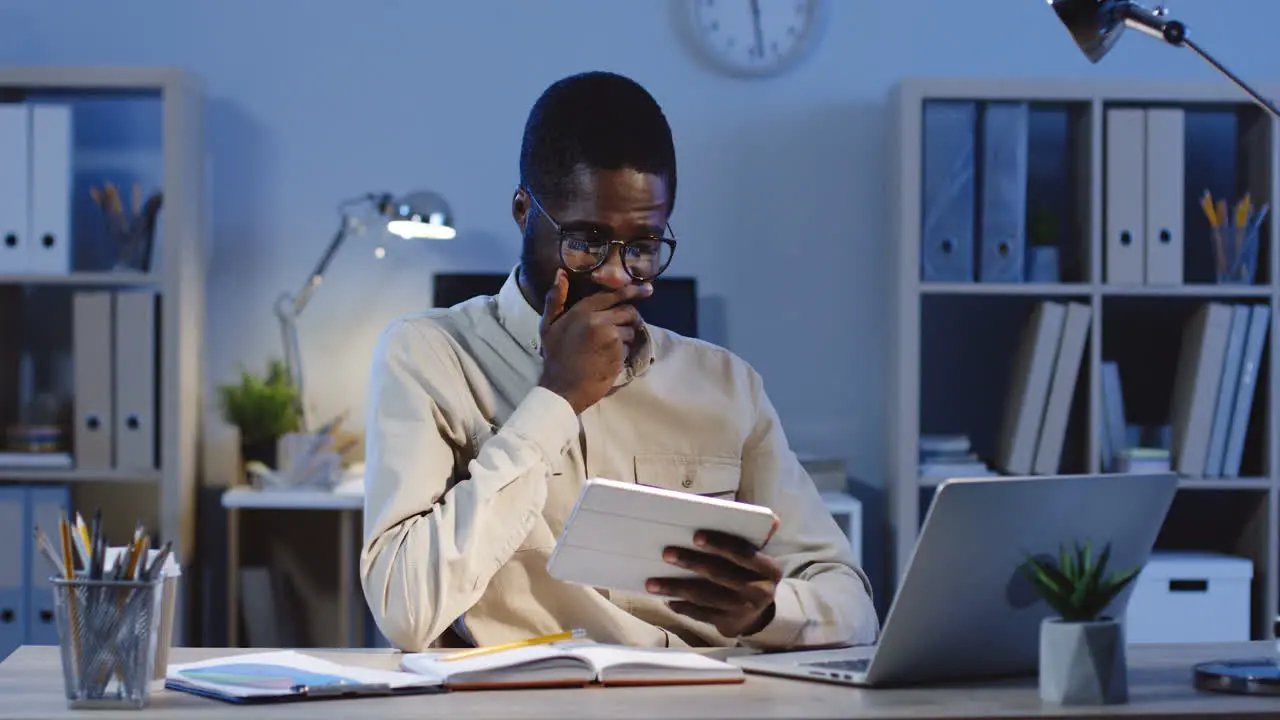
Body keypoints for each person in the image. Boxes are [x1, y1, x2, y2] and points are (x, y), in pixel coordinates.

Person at [361, 70, 878, 652]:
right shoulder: (429, 356)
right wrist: (555, 401)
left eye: (643, 248)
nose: (615, 273)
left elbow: (854, 608)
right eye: (585, 240)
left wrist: (766, 613)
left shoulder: (728, 387)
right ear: (522, 211)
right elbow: (404, 611)